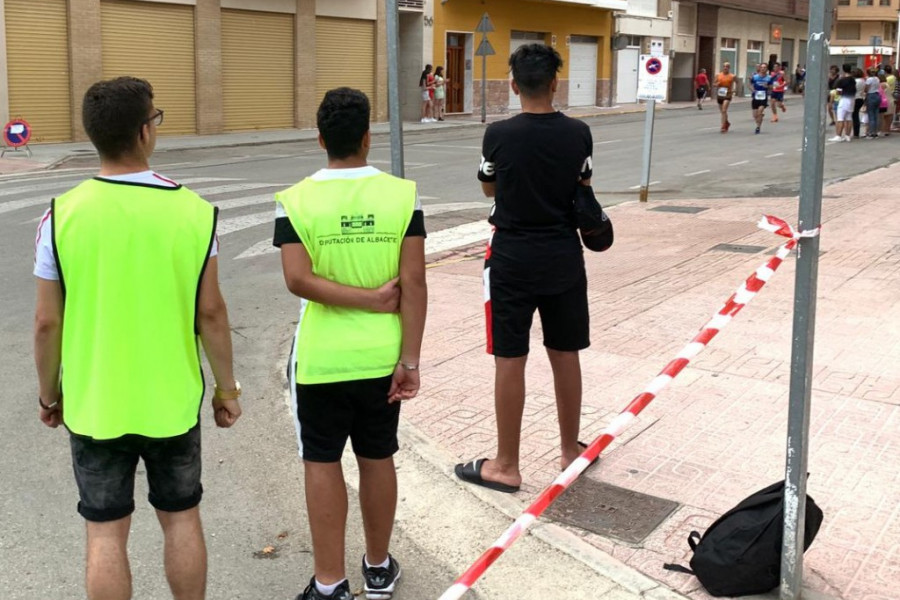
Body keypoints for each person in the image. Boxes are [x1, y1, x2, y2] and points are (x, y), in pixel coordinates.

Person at [32, 76, 242, 600]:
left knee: (104, 531)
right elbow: (211, 313)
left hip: (95, 405)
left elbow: (46, 323)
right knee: (181, 517)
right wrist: (226, 390)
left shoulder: (60, 216)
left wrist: (50, 394)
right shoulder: (194, 212)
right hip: (171, 402)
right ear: (145, 132)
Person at [273, 87, 427, 600]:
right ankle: (378, 568)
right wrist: (409, 360)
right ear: (367, 137)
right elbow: (414, 283)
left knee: (321, 461)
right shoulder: (402, 195)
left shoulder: (295, 200)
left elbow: (297, 280)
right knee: (377, 456)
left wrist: (360, 300)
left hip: (321, 359)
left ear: (320, 139)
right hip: (382, 357)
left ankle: (329, 583)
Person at [455, 43, 594, 494]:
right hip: (563, 253)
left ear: (514, 86)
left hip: (511, 256)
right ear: (555, 83)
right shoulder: (579, 133)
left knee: (510, 358)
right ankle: (570, 451)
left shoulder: (498, 133)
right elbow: (583, 184)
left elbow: (488, 188)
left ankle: (506, 465)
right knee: (565, 352)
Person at [829, 64, 856, 142]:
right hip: (852, 100)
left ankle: (838, 135)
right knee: (849, 118)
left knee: (840, 118)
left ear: (843, 70)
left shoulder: (842, 80)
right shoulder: (853, 80)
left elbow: (838, 92)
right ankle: (847, 135)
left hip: (844, 100)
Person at [750, 63, 772, 134]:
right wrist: (753, 90)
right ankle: (759, 118)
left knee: (759, 112)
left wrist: (767, 87)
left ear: (767, 69)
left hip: (763, 97)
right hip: (755, 97)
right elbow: (750, 84)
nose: (763, 69)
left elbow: (772, 87)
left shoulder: (769, 78)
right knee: (755, 115)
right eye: (762, 67)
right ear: (759, 68)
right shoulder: (755, 77)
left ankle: (758, 127)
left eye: (764, 67)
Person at [714, 62, 736, 133]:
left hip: (728, 94)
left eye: (727, 66)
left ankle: (723, 126)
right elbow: (714, 84)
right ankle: (726, 122)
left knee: (724, 110)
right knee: (722, 112)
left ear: (729, 68)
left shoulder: (732, 76)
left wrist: (734, 90)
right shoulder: (718, 75)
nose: (725, 68)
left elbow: (738, 82)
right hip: (720, 95)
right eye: (724, 66)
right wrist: (716, 84)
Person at [864, 66, 882, 138]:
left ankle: (871, 132)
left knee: (871, 115)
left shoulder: (869, 79)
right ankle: (875, 132)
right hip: (877, 95)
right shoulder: (877, 78)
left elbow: (866, 89)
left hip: (871, 95)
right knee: (876, 115)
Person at [852, 67, 866, 139]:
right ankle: (856, 133)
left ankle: (856, 133)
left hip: (855, 98)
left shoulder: (855, 81)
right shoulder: (863, 81)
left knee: (854, 116)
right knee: (856, 115)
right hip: (860, 98)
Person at [882, 65, 896, 135]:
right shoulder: (894, 77)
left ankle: (884, 129)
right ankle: (888, 129)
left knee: (885, 115)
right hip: (892, 96)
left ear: (885, 71)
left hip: (886, 96)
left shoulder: (887, 79)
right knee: (890, 114)